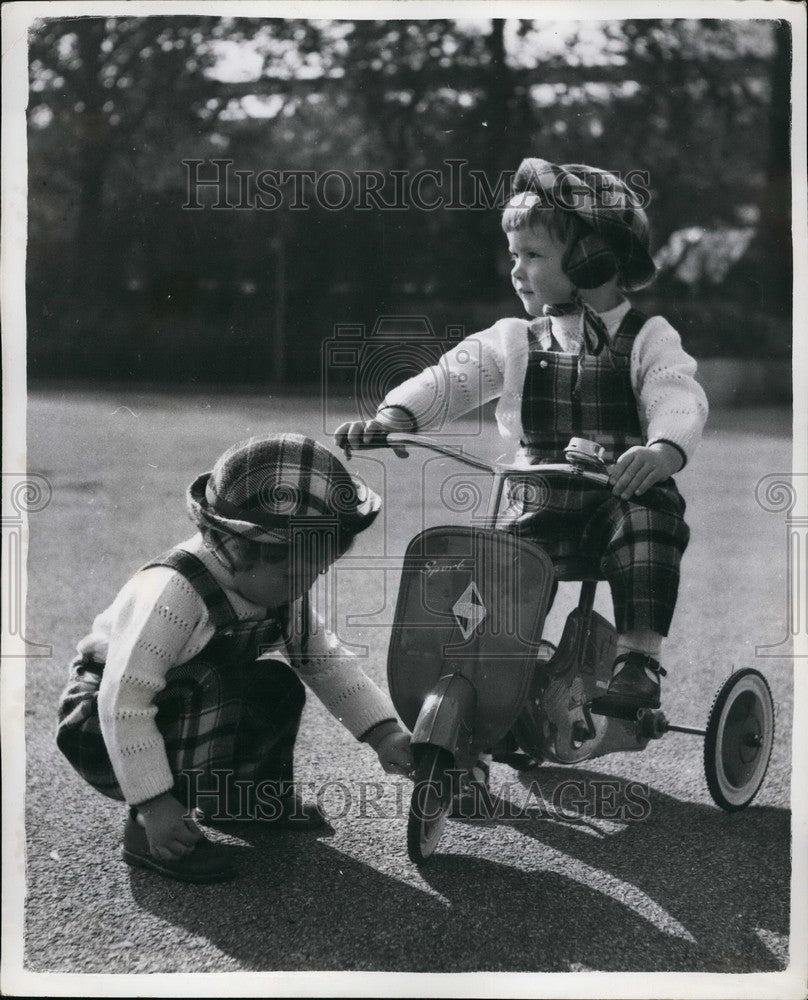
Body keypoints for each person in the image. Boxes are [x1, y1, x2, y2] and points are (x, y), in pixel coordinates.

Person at [336, 156, 708, 731]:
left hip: (619, 493)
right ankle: (488, 669)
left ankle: (638, 660)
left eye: (533, 256)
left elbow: (676, 395)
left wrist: (661, 451)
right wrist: (395, 413)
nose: (516, 270)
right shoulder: (515, 339)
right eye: (514, 255)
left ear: (592, 260)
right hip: (538, 498)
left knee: (648, 527)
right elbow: (452, 376)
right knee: (491, 565)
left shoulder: (647, 338)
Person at [57, 434, 413, 883]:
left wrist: (384, 734)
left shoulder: (278, 588)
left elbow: (325, 662)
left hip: (178, 709)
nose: (301, 588)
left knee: (274, 684)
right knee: (211, 679)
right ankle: (151, 833)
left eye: (315, 574)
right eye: (291, 574)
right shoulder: (174, 593)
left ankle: (242, 799)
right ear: (241, 549)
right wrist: (153, 802)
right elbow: (123, 701)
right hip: (101, 725)